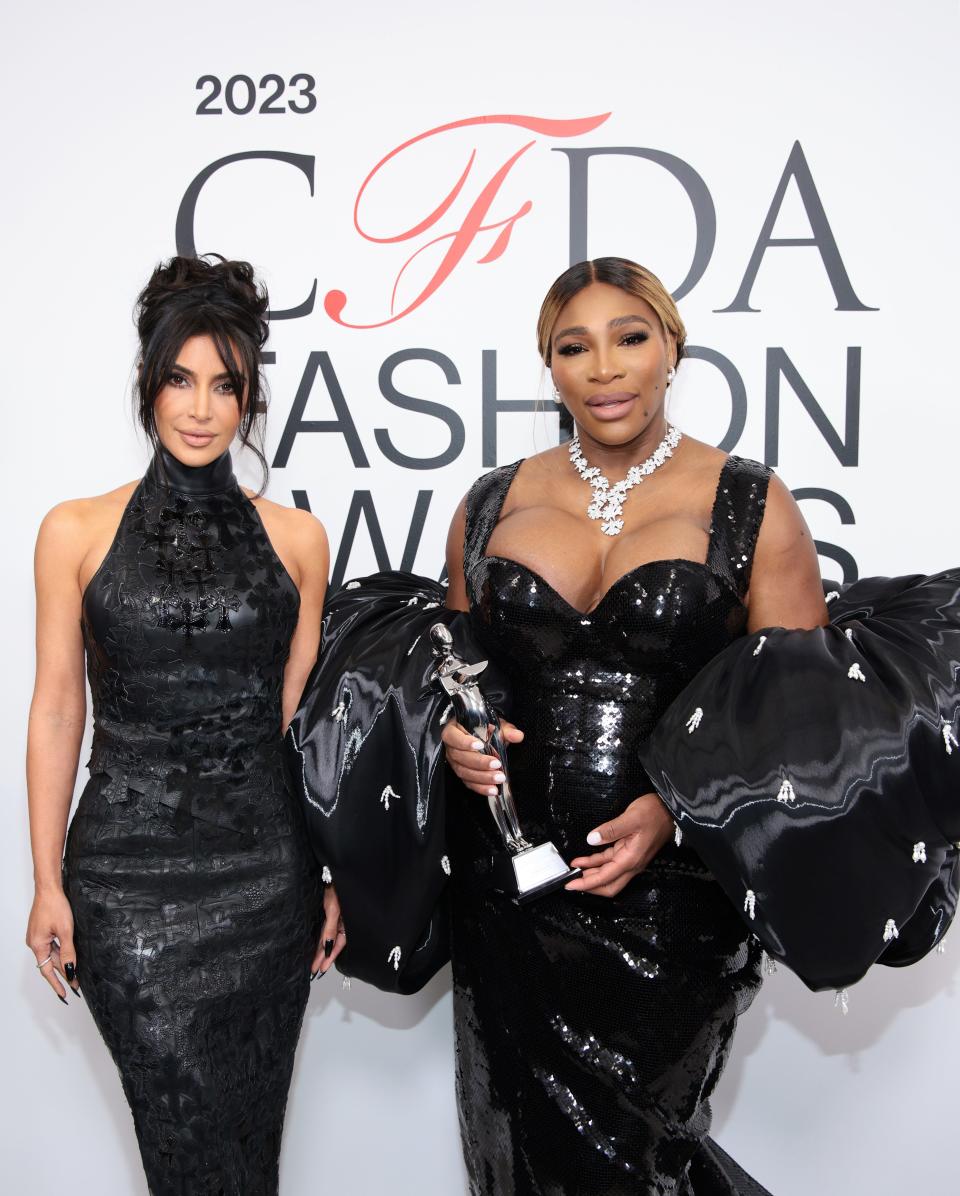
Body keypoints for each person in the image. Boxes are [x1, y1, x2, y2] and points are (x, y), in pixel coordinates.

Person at [439, 256, 827, 1195]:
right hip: (511, 902)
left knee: (641, 1163)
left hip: (672, 909)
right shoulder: (489, 503)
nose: (605, 368)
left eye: (630, 338)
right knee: (519, 1160)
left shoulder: (751, 502)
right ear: (551, 366)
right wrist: (458, 737)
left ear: (671, 349)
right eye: (575, 347)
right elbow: (455, 674)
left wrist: (672, 806)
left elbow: (798, 717)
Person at [25, 255, 343, 1196]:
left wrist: (324, 870)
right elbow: (55, 707)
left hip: (267, 880)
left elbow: (298, 724)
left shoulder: (298, 539)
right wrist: (46, 883)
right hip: (123, 887)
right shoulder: (73, 531)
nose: (201, 408)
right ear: (147, 384)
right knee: (184, 1149)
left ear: (249, 400)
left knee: (247, 1157)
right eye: (179, 380)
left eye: (225, 386)